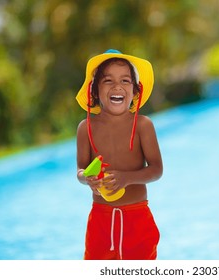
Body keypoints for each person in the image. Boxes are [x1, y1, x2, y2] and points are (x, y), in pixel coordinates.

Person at [75, 49, 163, 260]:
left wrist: (128, 178)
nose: (117, 86)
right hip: (100, 220)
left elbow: (157, 170)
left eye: (125, 80)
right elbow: (80, 170)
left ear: (135, 91)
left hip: (137, 217)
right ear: (94, 90)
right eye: (108, 81)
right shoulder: (85, 128)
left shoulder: (143, 125)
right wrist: (86, 178)